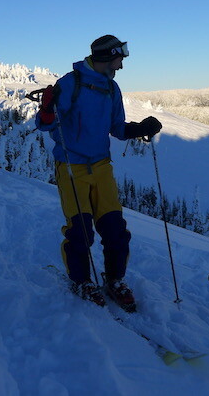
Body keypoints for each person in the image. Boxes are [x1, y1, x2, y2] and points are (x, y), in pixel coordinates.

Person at [35, 35, 162, 311]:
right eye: (120, 59)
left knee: (115, 229)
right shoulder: (70, 84)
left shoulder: (111, 88)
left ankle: (114, 279)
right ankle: (82, 280)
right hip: (72, 167)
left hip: (102, 167)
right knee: (80, 231)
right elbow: (45, 124)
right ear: (107, 57)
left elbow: (117, 129)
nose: (121, 65)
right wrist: (46, 109)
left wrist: (140, 128)